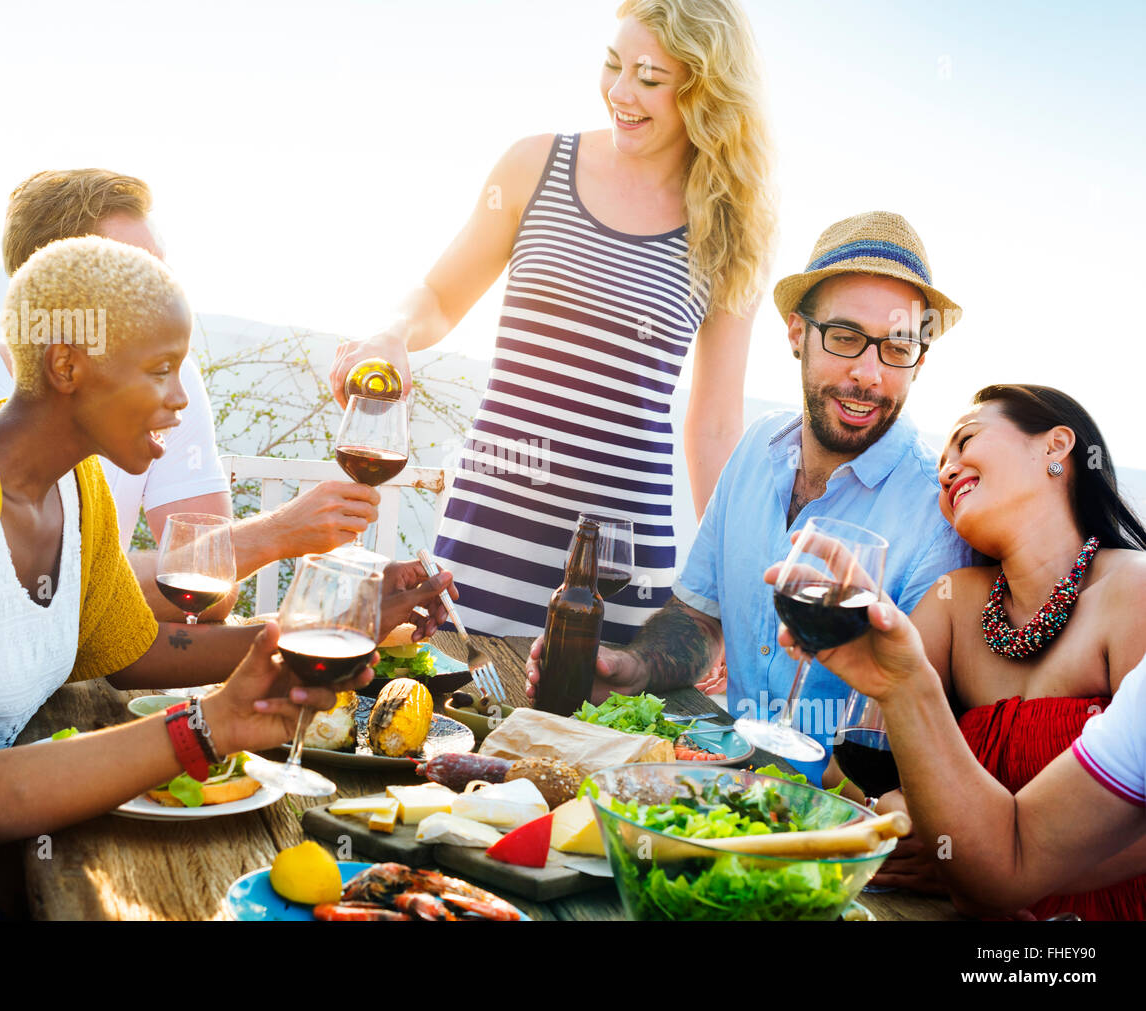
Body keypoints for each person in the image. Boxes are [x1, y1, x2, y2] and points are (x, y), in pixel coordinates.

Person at [0, 239, 450, 918]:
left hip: (8, 842)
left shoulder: (79, 489)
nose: (178, 401)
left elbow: (134, 651)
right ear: (67, 365)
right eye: (162, 370)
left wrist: (337, 628)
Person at [330, 0, 776, 642]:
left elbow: (712, 425)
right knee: (459, 727)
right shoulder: (534, 166)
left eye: (649, 78)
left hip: (620, 570)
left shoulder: (730, 231)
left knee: (599, 742)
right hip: (489, 534)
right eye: (613, 66)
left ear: (703, 89)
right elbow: (438, 294)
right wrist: (392, 333)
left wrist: (724, 589)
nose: (620, 93)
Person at [527, 211, 973, 783]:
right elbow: (698, 616)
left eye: (898, 347)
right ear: (796, 333)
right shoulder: (756, 449)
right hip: (714, 778)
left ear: (920, 361)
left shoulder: (939, 515)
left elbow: (917, 727)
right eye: (844, 338)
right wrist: (630, 667)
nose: (869, 374)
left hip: (829, 823)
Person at [0, 168, 378, 621]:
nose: (162, 295)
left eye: (162, 273)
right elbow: (30, 598)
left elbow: (208, 596)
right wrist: (273, 534)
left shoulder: (171, 383)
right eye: (134, 276)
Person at [864, 384, 1146, 918]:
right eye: (942, 464)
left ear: (1057, 447)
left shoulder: (1135, 589)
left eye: (966, 441)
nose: (947, 471)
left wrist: (990, 873)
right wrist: (899, 813)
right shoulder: (952, 601)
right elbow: (856, 760)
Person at [771, 590, 1145, 919]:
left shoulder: (1132, 590)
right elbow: (840, 773)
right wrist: (942, 839)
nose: (942, 503)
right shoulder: (950, 597)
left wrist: (962, 860)